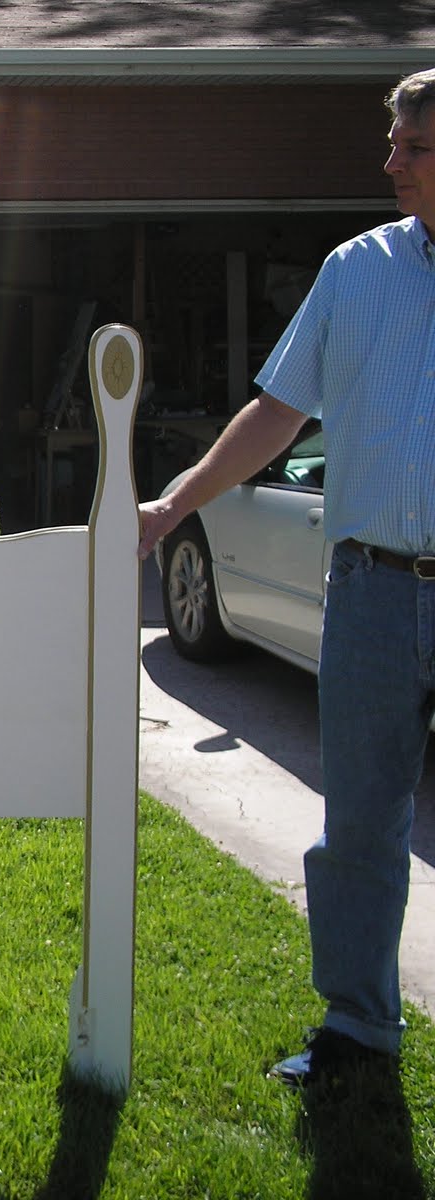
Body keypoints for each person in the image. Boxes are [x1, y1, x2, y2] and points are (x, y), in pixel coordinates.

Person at [138, 68, 435, 1094]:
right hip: (371, 590)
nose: (388, 160)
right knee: (358, 816)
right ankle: (358, 1031)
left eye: (411, 146)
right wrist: (174, 505)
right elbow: (276, 413)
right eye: (392, 141)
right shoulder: (355, 272)